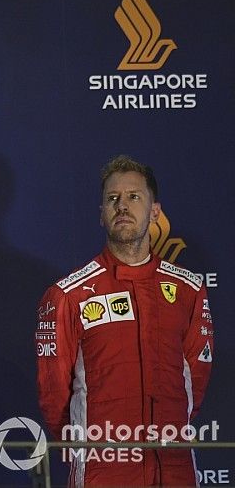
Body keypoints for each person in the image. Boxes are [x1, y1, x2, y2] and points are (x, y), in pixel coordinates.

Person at [36, 155, 213, 486]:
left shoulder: (188, 289)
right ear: (101, 215)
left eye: (134, 197)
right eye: (112, 199)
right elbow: (54, 392)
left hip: (173, 465)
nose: (122, 206)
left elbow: (195, 381)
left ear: (154, 211)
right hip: (104, 468)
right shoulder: (68, 295)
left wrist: (170, 429)